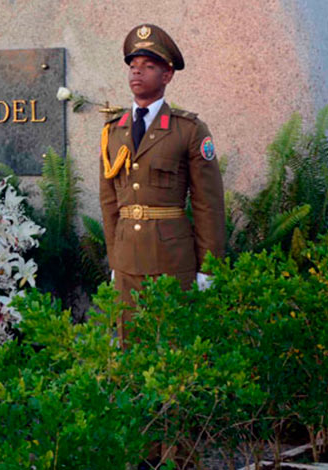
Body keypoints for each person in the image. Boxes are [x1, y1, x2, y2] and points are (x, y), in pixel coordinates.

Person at [99, 24, 226, 344]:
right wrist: (115, 260)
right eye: (133, 67)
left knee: (173, 347)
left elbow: (207, 204)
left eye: (148, 67)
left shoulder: (188, 129)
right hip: (127, 260)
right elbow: (109, 201)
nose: (137, 73)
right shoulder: (114, 129)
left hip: (172, 258)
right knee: (129, 344)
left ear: (167, 75)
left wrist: (209, 267)